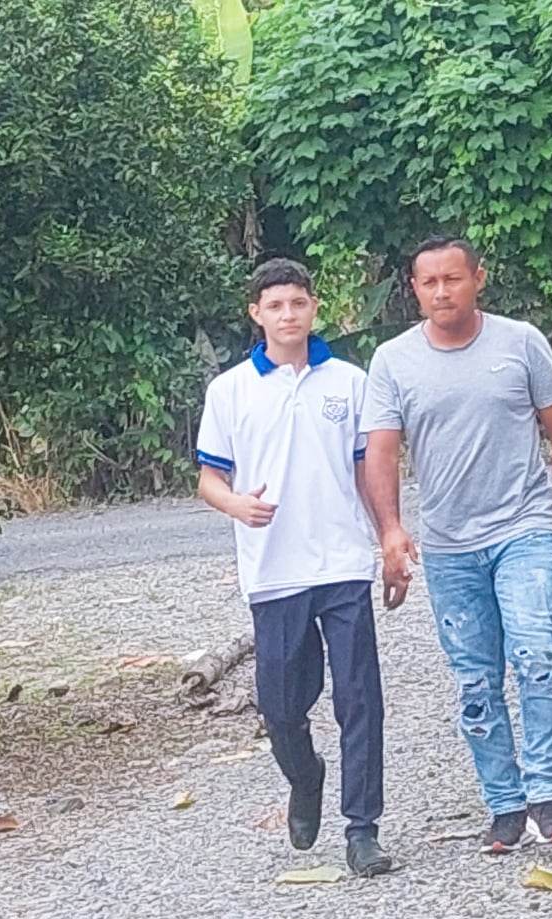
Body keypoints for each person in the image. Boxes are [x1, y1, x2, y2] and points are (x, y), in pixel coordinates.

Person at [362, 236, 552, 853]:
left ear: (478, 279)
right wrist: (390, 530)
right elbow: (381, 450)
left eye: (453, 279)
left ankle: (545, 793)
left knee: (537, 654)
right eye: (429, 282)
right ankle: (504, 803)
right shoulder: (393, 361)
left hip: (522, 527)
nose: (442, 292)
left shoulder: (520, 343)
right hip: (448, 545)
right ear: (414, 289)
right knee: (475, 680)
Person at [195, 258, 393, 877]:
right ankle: (305, 778)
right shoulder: (230, 391)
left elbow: (367, 469)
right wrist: (235, 504)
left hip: (342, 562)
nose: (288, 315)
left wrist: (389, 535)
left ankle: (362, 829)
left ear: (314, 308)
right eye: (276, 306)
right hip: (274, 568)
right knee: (281, 706)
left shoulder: (350, 382)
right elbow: (209, 478)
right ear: (256, 313)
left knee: (360, 699)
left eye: (298, 303)